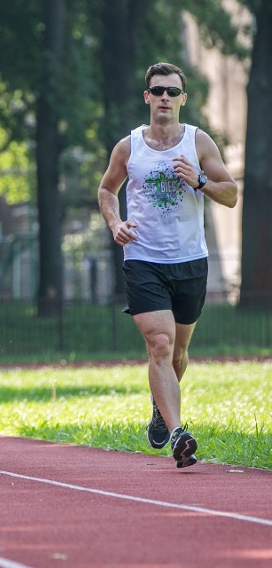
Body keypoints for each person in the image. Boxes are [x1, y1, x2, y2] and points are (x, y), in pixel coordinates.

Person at [97, 62, 238, 468]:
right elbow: (107, 189)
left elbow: (230, 194)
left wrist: (199, 181)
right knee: (159, 344)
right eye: (157, 91)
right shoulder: (129, 147)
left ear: (182, 99)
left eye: (172, 92)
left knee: (178, 352)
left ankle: (161, 406)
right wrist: (114, 222)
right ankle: (178, 432)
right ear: (146, 97)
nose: (164, 98)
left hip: (189, 260)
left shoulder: (197, 142)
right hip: (143, 258)